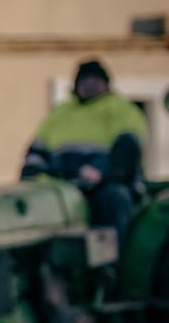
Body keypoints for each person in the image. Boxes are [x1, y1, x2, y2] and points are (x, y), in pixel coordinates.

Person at [22, 58, 148, 244]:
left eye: (95, 81)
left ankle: (111, 265)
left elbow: (126, 149)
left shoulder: (121, 109)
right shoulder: (61, 113)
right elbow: (38, 150)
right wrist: (30, 176)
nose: (90, 86)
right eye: (85, 81)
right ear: (76, 85)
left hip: (106, 183)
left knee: (114, 199)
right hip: (65, 185)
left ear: (105, 84)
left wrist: (101, 170)